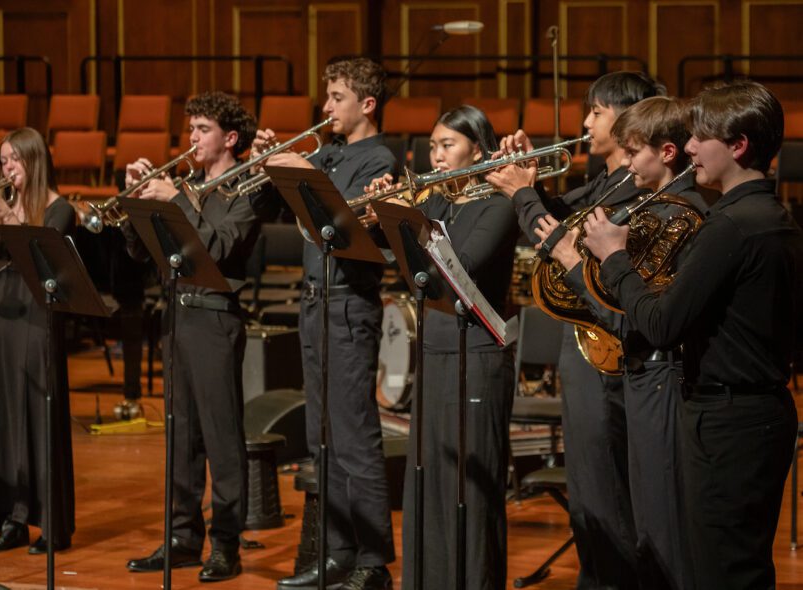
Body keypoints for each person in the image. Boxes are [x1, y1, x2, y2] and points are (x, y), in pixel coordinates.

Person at [583, 80, 801, 590]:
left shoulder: (730, 228)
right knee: (739, 566)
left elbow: (661, 324)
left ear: (738, 145)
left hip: (726, 421)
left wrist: (614, 258)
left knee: (720, 571)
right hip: (761, 412)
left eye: (702, 137)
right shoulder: (777, 219)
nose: (690, 148)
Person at [485, 71, 664, 588]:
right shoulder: (608, 181)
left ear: (630, 119)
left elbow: (563, 241)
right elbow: (557, 213)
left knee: (606, 495)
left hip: (608, 355)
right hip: (584, 352)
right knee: (589, 495)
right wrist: (528, 179)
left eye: (597, 112)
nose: (585, 123)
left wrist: (525, 193)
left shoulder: (638, 189)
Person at [534, 96, 708, 590]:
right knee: (648, 525)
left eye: (634, 152)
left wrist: (575, 259)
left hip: (662, 376)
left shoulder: (679, 212)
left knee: (663, 525)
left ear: (668, 152)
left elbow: (627, 312)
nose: (626, 164)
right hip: (642, 376)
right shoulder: (653, 204)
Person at [252, 57, 398, 590]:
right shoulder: (328, 151)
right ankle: (336, 552)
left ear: (366, 104)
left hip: (348, 303)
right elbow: (271, 209)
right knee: (322, 439)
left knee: (355, 437)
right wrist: (268, 163)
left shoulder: (378, 157)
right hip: (314, 302)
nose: (326, 107)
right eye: (327, 96)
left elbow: (339, 225)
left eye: (336, 97)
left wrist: (303, 173)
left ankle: (372, 560)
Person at [368, 105, 518, 589]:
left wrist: (408, 222)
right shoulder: (437, 203)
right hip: (434, 349)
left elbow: (463, 267)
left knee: (470, 489)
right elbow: (400, 261)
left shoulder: (497, 204)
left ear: (477, 149)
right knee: (428, 480)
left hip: (477, 352)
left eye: (447, 145)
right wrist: (383, 218)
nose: (436, 156)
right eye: (432, 146)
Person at [122, 91, 260, 583]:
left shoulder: (244, 189)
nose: (192, 138)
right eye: (192, 129)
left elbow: (220, 246)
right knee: (180, 438)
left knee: (222, 440)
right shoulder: (183, 186)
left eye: (203, 129)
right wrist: (137, 202)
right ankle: (182, 536)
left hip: (215, 318)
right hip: (175, 317)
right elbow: (143, 253)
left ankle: (225, 543)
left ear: (231, 138)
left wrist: (174, 200)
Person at [0, 127, 76, 555]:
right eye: (3, 161)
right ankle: (11, 518)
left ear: (34, 160)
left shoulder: (59, 208)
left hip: (36, 315)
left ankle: (51, 523)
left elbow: (44, 261)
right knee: (1, 418)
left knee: (37, 418)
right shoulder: (3, 209)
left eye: (14, 159)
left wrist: (9, 218)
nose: (7, 168)